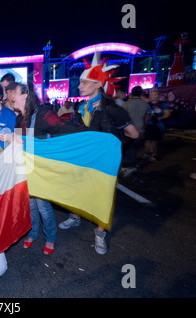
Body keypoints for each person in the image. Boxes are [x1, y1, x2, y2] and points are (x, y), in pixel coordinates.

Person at [58, 54, 139, 255]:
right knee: (76, 188)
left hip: (103, 162)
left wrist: (114, 147)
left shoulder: (112, 109)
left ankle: (100, 233)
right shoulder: (81, 106)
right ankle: (75, 217)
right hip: (83, 158)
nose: (79, 86)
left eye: (84, 82)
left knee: (102, 195)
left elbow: (133, 133)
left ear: (97, 85)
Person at [7, 83, 85, 255]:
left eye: (13, 92)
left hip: (41, 170)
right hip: (26, 169)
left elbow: (63, 128)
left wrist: (88, 133)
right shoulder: (20, 118)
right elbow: (21, 144)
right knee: (31, 207)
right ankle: (33, 233)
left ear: (25, 95)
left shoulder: (42, 113)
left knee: (43, 207)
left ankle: (50, 237)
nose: (10, 95)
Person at [121, 86, 151, 177]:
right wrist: (143, 129)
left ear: (131, 93)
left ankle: (128, 166)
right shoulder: (146, 105)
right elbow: (146, 119)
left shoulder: (125, 104)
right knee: (134, 149)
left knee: (126, 149)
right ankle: (132, 164)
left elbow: (121, 119)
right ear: (141, 93)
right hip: (139, 130)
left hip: (127, 131)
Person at [143, 89, 171, 162]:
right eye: (152, 95)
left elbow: (167, 114)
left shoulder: (162, 104)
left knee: (154, 141)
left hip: (158, 126)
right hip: (148, 125)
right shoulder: (147, 104)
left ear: (158, 96)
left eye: (155, 94)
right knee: (147, 140)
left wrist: (159, 118)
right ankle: (147, 154)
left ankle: (154, 155)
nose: (153, 96)